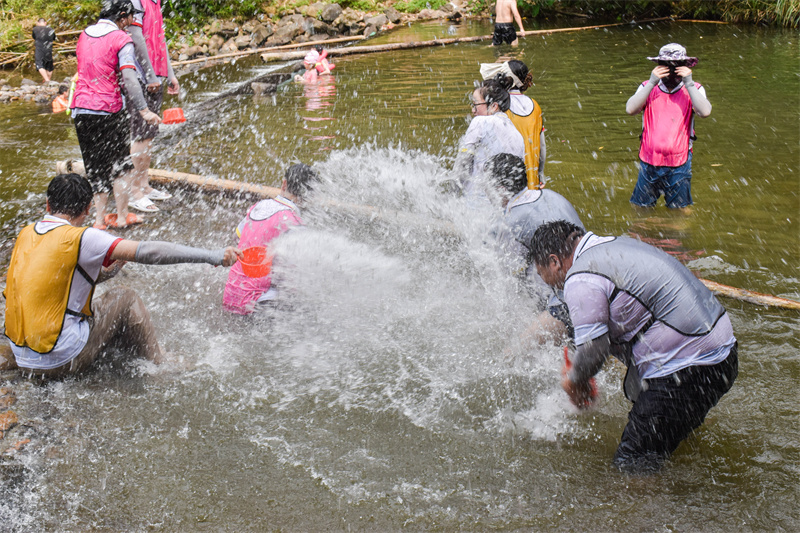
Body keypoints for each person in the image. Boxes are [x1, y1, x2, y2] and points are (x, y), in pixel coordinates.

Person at [530, 220, 738, 472]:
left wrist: (575, 380)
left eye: (547, 278)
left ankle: (647, 510)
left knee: (631, 464)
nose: (554, 288)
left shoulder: (580, 278)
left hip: (687, 369)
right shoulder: (613, 245)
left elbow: (595, 350)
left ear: (554, 261)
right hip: (723, 356)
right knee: (664, 437)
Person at [2, 173, 241, 378]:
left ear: (47, 205)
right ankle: (158, 362)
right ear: (87, 209)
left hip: (24, 356)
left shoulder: (26, 234)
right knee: (124, 298)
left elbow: (58, 283)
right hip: (61, 361)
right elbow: (149, 252)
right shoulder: (84, 237)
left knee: (94, 305)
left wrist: (110, 271)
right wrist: (212, 255)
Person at [71, 0, 161, 229]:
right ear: (122, 16)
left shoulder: (84, 35)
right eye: (131, 17)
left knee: (95, 167)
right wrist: (144, 110)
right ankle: (121, 217)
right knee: (122, 166)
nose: (132, 21)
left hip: (81, 109)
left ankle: (99, 220)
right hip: (108, 109)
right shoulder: (122, 39)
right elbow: (130, 78)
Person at [488, 154, 582, 345]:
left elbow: (506, 276)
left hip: (565, 303)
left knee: (512, 354)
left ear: (500, 189)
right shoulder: (552, 196)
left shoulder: (512, 221)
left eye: (487, 188)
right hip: (591, 282)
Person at [626, 43, 712, 210]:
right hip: (649, 161)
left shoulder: (694, 89)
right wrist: (652, 82)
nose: (672, 71)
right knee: (640, 208)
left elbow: (705, 112)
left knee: (679, 210)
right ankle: (642, 234)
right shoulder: (647, 87)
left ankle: (674, 233)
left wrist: (689, 83)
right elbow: (630, 109)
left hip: (679, 163)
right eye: (667, 66)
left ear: (685, 67)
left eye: (677, 66)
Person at [223, 164, 317, 315]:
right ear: (309, 196)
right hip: (257, 307)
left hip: (231, 297)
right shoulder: (295, 225)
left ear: (284, 183)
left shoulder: (259, 206)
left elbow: (237, 238)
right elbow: (294, 276)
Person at [124, 0, 180, 213]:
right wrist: (149, 75)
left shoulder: (156, 2)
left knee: (149, 135)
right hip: (140, 76)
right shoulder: (136, 2)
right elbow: (136, 38)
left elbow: (160, 39)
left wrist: (170, 73)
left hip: (155, 75)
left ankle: (144, 186)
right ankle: (133, 191)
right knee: (140, 135)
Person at [481, 60, 546, 188]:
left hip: (505, 181)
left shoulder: (498, 106)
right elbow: (542, 146)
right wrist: (540, 174)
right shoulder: (535, 106)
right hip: (531, 182)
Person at [456, 79, 525, 200]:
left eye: (475, 105)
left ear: (494, 106)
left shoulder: (481, 121)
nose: (473, 110)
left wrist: (453, 193)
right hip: (505, 202)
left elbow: (463, 162)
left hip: (477, 200)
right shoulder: (517, 134)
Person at [32, 18, 55, 83]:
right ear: (45, 23)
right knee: (49, 66)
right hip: (48, 50)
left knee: (39, 65)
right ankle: (47, 80)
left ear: (38, 23)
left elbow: (34, 37)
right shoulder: (51, 29)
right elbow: (53, 38)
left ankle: (47, 80)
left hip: (39, 49)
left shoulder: (35, 29)